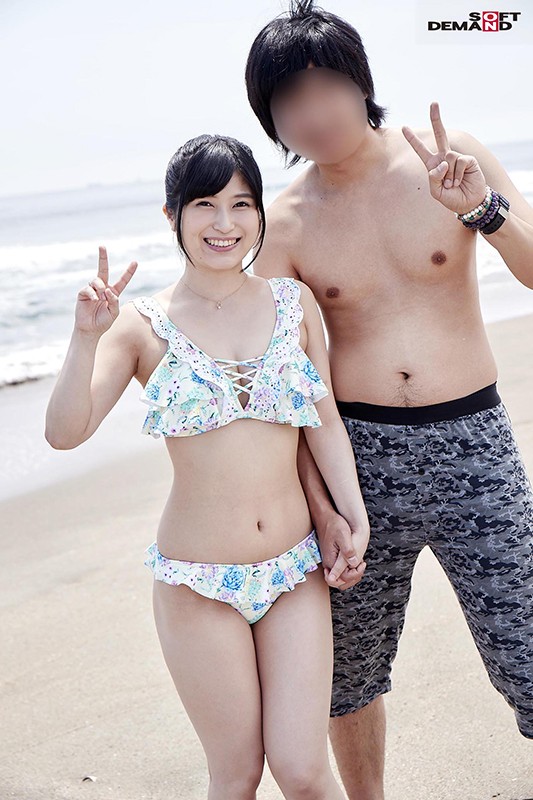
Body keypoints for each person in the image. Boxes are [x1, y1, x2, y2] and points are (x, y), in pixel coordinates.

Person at [245, 2, 533, 797]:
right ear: (271, 118)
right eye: (289, 100)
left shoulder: (449, 158)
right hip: (359, 463)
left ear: (360, 84)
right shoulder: (283, 225)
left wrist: (477, 209)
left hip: (472, 443)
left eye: (326, 87)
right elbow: (284, 388)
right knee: (347, 674)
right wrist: (322, 505)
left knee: (526, 647)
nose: (313, 112)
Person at [45, 133, 371, 800]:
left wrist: (351, 514)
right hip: (197, 583)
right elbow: (64, 433)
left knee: (304, 772)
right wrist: (85, 338)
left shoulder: (292, 303)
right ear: (173, 214)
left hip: (292, 572)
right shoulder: (142, 326)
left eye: (241, 203)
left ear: (258, 212)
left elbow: (325, 422)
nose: (225, 222)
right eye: (204, 204)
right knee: (236, 776)